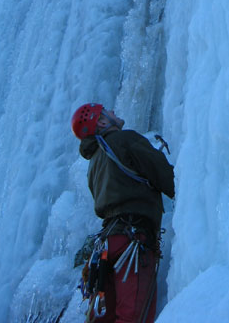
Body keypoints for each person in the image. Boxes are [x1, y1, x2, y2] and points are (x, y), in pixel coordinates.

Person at [71, 103, 175, 323]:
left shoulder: (94, 164)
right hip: (132, 242)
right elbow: (166, 176)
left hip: (108, 245)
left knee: (104, 317)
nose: (114, 113)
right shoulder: (124, 139)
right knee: (133, 315)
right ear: (101, 122)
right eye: (108, 111)